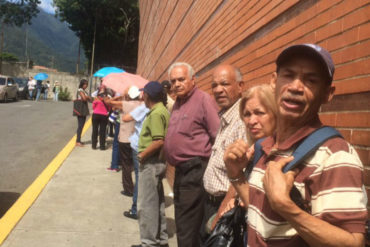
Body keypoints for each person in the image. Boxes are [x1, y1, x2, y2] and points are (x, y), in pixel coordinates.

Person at [224, 44, 367, 247]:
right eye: (289, 75)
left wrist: (285, 206)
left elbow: (354, 243)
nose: (296, 87)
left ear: (328, 93)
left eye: (311, 80)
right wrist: (236, 175)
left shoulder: (335, 155)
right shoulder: (264, 146)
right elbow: (259, 210)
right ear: (274, 82)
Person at [163, 62, 220, 247]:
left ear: (193, 80)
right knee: (186, 223)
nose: (177, 84)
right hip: (181, 172)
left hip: (195, 170)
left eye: (181, 79)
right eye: (173, 81)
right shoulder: (178, 103)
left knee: (186, 226)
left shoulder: (203, 100)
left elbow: (217, 135)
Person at [209, 84, 277, 230]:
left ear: (275, 114)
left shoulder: (279, 155)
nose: (252, 121)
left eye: (259, 113)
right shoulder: (252, 151)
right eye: (247, 115)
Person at [200, 64, 246, 242]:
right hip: (211, 202)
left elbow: (242, 172)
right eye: (214, 85)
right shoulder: (226, 115)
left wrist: (221, 211)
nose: (218, 90)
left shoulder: (242, 120)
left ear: (240, 86)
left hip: (225, 205)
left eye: (225, 84)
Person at [133, 81, 170, 247]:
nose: (142, 96)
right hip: (157, 163)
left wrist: (142, 156)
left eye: (144, 93)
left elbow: (158, 141)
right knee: (157, 204)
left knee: (146, 206)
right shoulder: (162, 110)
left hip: (150, 163)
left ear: (148, 95)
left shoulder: (156, 114)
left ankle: (149, 243)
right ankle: (160, 240)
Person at [122, 91, 150, 220]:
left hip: (138, 145)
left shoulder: (144, 107)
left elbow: (125, 118)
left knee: (139, 178)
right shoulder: (162, 108)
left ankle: (135, 209)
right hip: (148, 147)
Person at [75, 79, 92, 147]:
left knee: (81, 125)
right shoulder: (80, 90)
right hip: (80, 109)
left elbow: (89, 99)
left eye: (87, 84)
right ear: (82, 84)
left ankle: (79, 140)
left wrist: (88, 97)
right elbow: (84, 98)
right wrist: (88, 97)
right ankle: (77, 141)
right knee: (80, 125)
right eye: (85, 84)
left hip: (83, 109)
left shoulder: (84, 91)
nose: (86, 85)